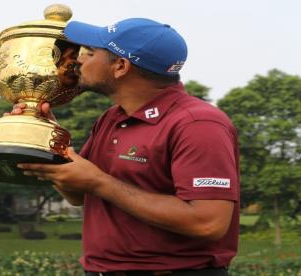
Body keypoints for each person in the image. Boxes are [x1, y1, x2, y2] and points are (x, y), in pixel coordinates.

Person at [15, 18, 240, 275]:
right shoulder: (112, 117)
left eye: (91, 52)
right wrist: (48, 141)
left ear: (121, 66)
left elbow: (208, 223)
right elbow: (78, 194)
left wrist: (99, 182)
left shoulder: (198, 124)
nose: (78, 60)